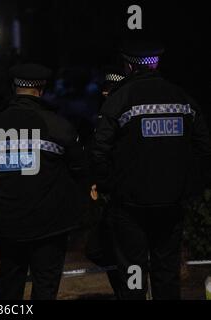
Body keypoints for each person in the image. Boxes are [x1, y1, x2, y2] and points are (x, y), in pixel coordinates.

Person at [91, 40, 211, 300]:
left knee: (133, 275)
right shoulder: (182, 98)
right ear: (156, 63)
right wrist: (187, 188)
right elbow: (204, 149)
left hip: (130, 208)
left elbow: (99, 152)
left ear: (128, 65)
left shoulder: (119, 100)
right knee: (166, 274)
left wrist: (113, 187)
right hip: (171, 205)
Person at [0, 64, 84, 300]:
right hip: (50, 226)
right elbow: (80, 167)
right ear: (41, 90)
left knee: (9, 285)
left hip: (9, 225)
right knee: (45, 287)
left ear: (14, 88)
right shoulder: (59, 126)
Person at [85, 65, 125, 299]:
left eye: (110, 89)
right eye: (105, 89)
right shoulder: (105, 115)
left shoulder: (121, 115)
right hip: (109, 193)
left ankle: (129, 292)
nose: (104, 93)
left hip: (120, 192)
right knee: (100, 249)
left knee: (111, 248)